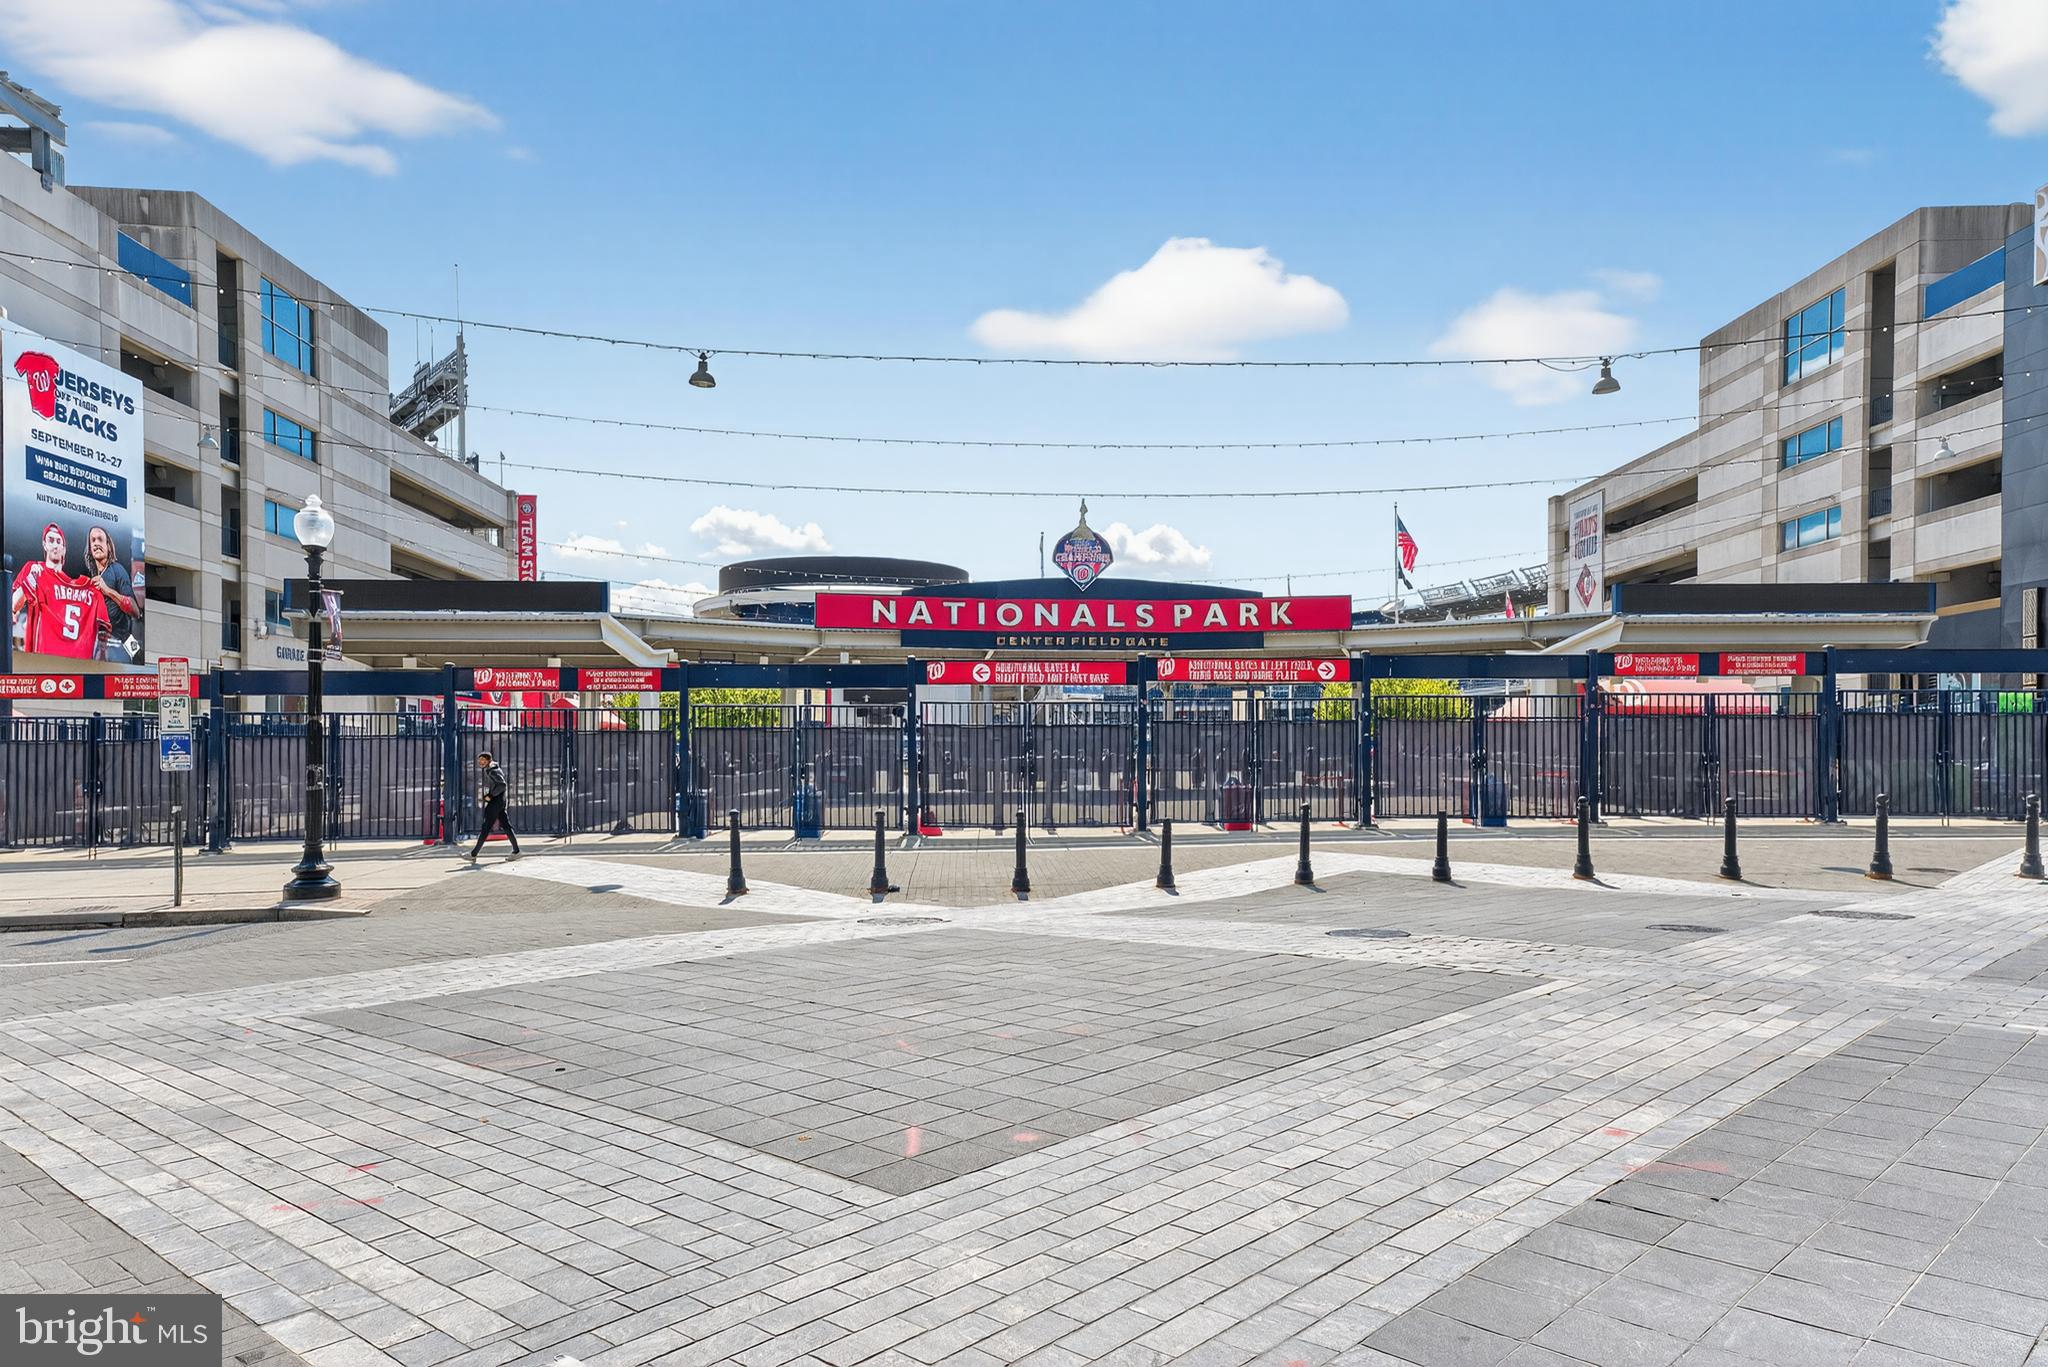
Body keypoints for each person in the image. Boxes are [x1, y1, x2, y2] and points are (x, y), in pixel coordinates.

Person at [9, 523, 104, 660]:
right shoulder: (34, 569)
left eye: (58, 541)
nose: (55, 545)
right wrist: (30, 580)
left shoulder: (85, 587)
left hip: (71, 662)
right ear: (44, 544)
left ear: (64, 549)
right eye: (51, 540)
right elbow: (12, 606)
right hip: (39, 659)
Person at [86, 526, 139, 663]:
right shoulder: (92, 577)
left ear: (108, 546)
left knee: (138, 661)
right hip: (98, 645)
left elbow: (135, 611)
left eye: (100, 539)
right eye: (93, 540)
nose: (96, 543)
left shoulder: (117, 569)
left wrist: (107, 590)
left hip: (122, 641)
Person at [468, 750, 520, 859]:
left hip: (496, 802)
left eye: (483, 760)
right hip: (500, 801)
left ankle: (473, 854)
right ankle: (516, 851)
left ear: (488, 760)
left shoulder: (492, 770)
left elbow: (502, 785)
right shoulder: (492, 769)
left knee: (486, 827)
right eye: (479, 760)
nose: (480, 762)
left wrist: (490, 796)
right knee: (506, 826)